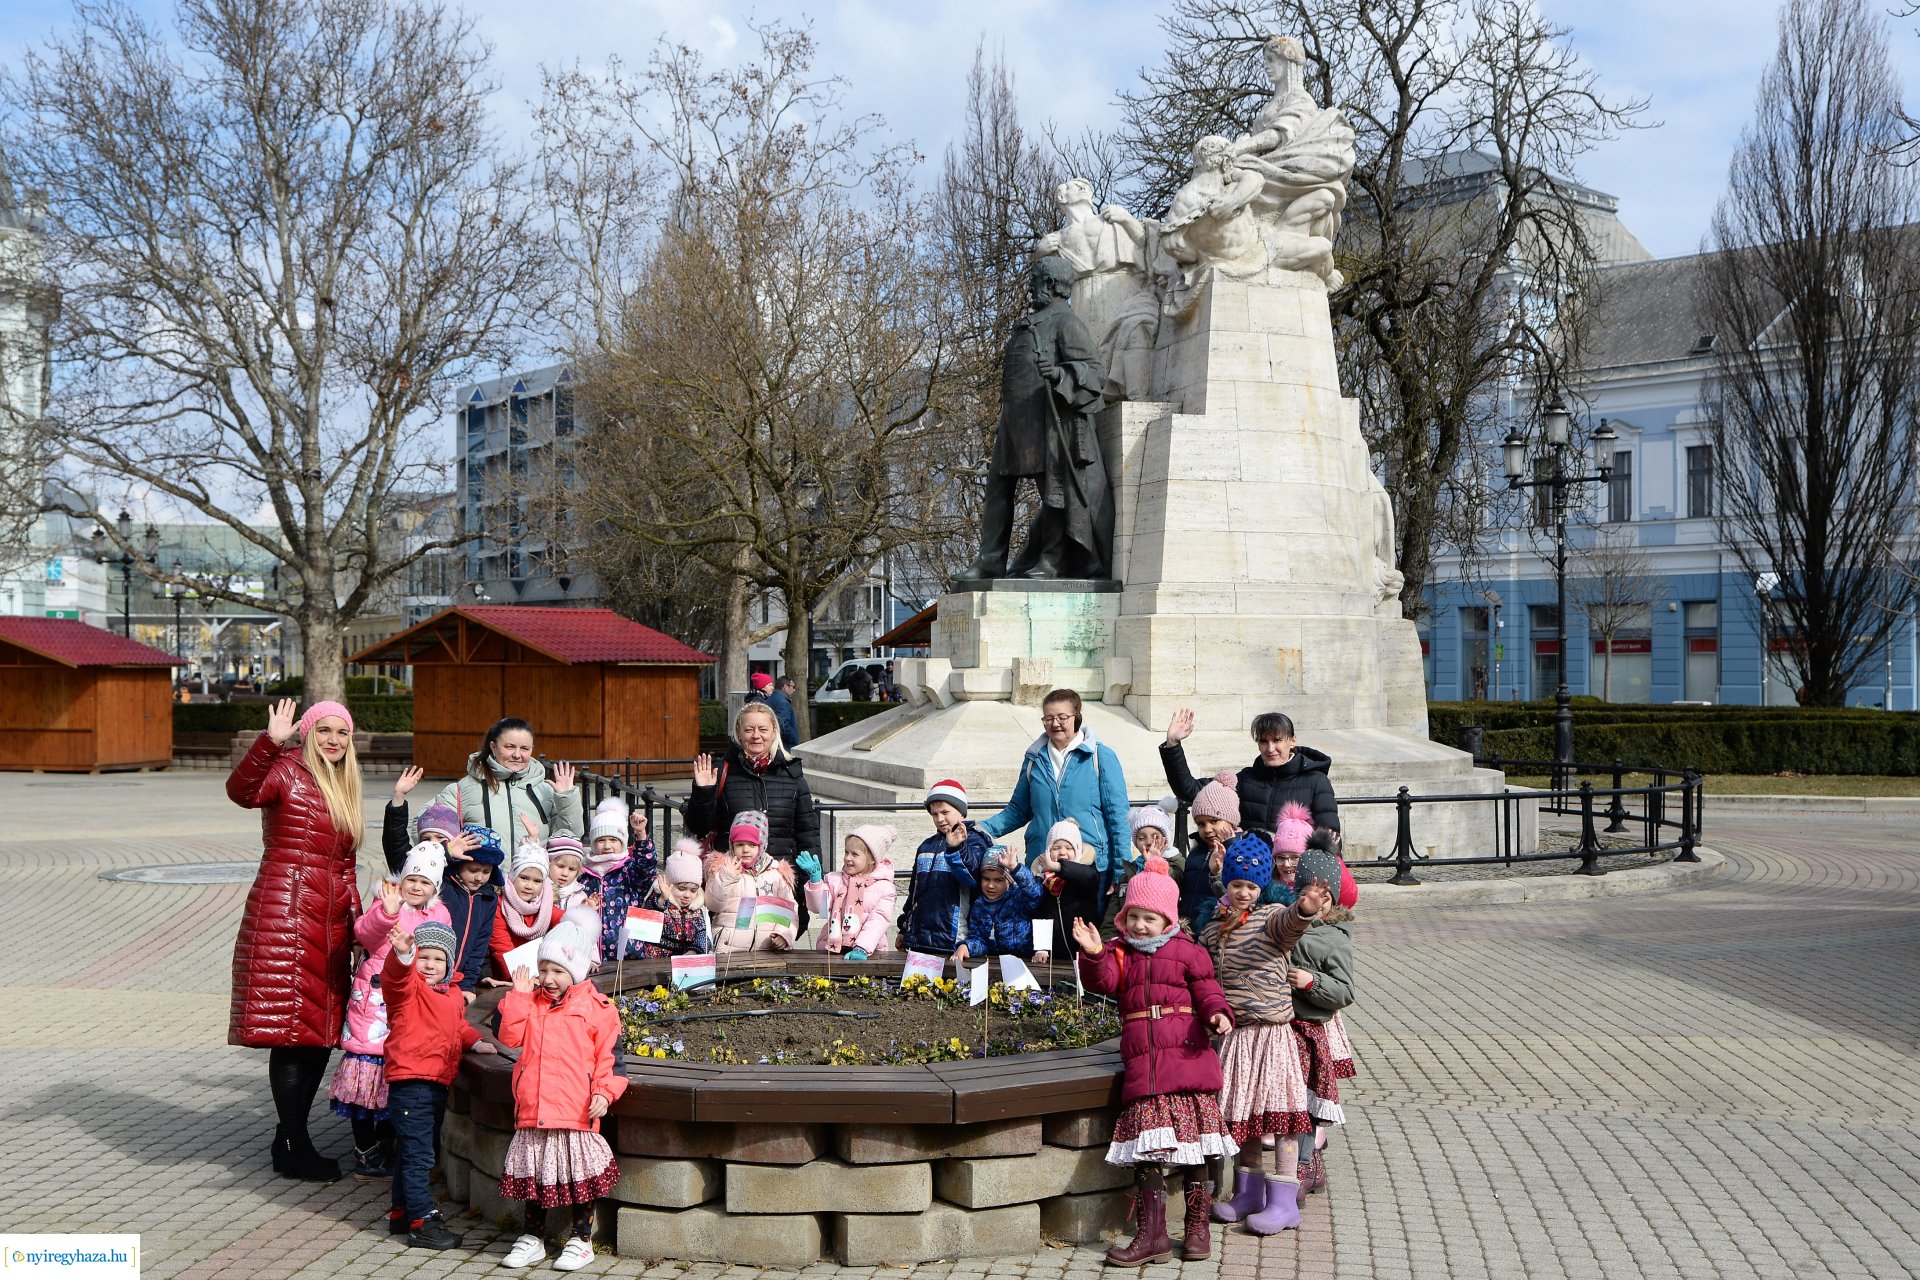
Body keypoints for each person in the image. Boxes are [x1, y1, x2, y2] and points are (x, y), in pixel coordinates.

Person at [228, 697, 366, 1183]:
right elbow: (241, 791)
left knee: (320, 1035)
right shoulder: (285, 770)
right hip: (285, 915)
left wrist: (358, 925)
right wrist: (271, 741)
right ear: (307, 733)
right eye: (324, 730)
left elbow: (346, 867)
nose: (333, 740)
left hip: (328, 921)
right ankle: (292, 1141)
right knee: (291, 1035)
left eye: (342, 733)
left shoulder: (344, 785)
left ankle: (291, 1138)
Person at [1074, 858, 1237, 1265]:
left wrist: (1219, 1014)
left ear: (1167, 919)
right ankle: (1153, 1237)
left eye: (1150, 918)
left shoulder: (1188, 951)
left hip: (1186, 1061)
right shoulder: (1119, 953)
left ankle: (1197, 1229)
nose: (1140, 926)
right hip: (1146, 1071)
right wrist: (1094, 953)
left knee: (1196, 1152)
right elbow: (1103, 982)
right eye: (1134, 917)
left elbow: (1208, 991)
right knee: (1148, 1153)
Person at [1201, 833, 1332, 1235]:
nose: (1243, 892)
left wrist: (1303, 910)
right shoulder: (1213, 929)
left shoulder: (1270, 917)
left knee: (1282, 1117)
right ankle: (1248, 1194)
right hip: (1236, 1037)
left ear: (1260, 888)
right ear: (1227, 882)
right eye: (1237, 884)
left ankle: (1283, 1201)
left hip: (1271, 1035)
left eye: (1251, 886)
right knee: (1246, 1118)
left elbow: (1288, 925)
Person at [496, 922, 625, 1272]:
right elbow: (509, 1038)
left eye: (557, 971)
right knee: (536, 1177)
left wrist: (604, 1091)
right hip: (535, 1109)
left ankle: (581, 1239)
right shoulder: (532, 1003)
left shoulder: (598, 1007)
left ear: (577, 971)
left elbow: (610, 1058)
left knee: (578, 1178)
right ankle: (531, 1238)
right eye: (543, 970)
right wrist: (519, 996)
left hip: (575, 1110)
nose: (548, 978)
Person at [329, 845, 453, 1179]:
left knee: (392, 1081)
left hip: (412, 1001)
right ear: (401, 880)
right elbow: (364, 935)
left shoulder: (439, 914)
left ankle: (387, 1143)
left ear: (434, 888)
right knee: (366, 1077)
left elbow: (444, 952)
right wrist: (386, 912)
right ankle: (365, 1149)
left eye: (425, 883)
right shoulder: (387, 902)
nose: (416, 887)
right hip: (375, 1001)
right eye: (411, 879)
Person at [379, 922, 495, 1249]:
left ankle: (402, 1212)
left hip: (435, 1085)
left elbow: (458, 1026)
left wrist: (475, 1042)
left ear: (449, 964)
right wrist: (402, 954)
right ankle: (423, 1221)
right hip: (411, 1082)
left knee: (413, 1151)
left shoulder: (452, 994)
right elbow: (395, 977)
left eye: (438, 959)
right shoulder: (409, 989)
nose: (430, 965)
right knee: (420, 1158)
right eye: (423, 957)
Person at [686, 702, 821, 932]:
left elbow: (807, 833)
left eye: (763, 729)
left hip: (778, 884)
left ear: (774, 732)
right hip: (733, 889)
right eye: (749, 730)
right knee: (734, 949)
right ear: (738, 733)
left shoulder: (792, 775)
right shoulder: (722, 772)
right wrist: (704, 792)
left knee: (775, 949)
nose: (756, 736)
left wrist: (807, 883)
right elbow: (699, 827)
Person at [980, 689, 1132, 890]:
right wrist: (980, 829)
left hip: (1089, 867)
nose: (1055, 723)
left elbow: (1117, 816)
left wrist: (1122, 870)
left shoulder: (1100, 756)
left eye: (1062, 717)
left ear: (1076, 718)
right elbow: (1018, 810)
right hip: (1042, 867)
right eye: (1048, 718)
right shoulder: (1034, 759)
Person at [1286, 836, 1357, 1199]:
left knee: (1308, 1102)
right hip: (1283, 1029)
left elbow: (1345, 991)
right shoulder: (1287, 924)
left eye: (1324, 897)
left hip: (1313, 1029)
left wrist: (1312, 982)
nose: (1316, 902)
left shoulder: (1334, 938)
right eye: (1308, 894)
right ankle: (1300, 1165)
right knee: (1289, 1100)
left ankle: (1305, 1164)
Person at [1161, 708, 1340, 836]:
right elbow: (1190, 790)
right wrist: (1172, 744)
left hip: (1291, 874)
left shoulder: (1316, 781)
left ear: (1292, 741)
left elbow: (1329, 838)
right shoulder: (1245, 779)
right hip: (1249, 877)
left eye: (1277, 740)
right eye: (1263, 741)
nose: (1270, 748)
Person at [430, 717, 583, 853]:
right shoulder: (459, 790)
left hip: (531, 883)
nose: (517, 754)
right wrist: (450, 853)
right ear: (493, 747)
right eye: (509, 747)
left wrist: (566, 799)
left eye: (524, 748)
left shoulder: (546, 791)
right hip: (481, 882)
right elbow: (426, 830)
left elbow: (570, 840)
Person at [898, 781, 990, 956]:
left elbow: (972, 877)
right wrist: (904, 928)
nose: (939, 819)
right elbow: (914, 891)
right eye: (934, 814)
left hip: (954, 941)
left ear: (961, 812)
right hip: (921, 940)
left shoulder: (976, 841)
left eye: (945, 812)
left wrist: (956, 848)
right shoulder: (926, 846)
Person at [798, 824, 898, 960]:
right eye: (846, 852)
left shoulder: (884, 888)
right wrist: (816, 882)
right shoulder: (835, 879)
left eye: (855, 854)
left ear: (872, 859)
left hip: (870, 952)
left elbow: (878, 921)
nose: (848, 858)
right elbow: (818, 908)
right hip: (833, 949)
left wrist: (862, 947)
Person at [704, 811, 798, 954]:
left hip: (766, 949)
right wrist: (727, 877)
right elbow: (713, 904)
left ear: (762, 846)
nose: (746, 850)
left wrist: (784, 934)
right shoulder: (722, 868)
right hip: (728, 949)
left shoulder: (776, 874)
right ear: (732, 844)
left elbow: (790, 911)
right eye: (740, 844)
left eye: (752, 845)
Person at [582, 797, 660, 965]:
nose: (607, 846)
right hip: (592, 955)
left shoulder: (628, 869)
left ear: (623, 842)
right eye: (601, 840)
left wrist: (641, 835)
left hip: (628, 953)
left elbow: (647, 867)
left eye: (613, 840)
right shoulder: (585, 875)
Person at [624, 840, 713, 960]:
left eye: (693, 890)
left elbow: (703, 934)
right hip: (655, 959)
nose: (687, 895)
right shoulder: (659, 900)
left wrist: (693, 951)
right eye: (681, 889)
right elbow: (645, 923)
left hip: (684, 960)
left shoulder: (697, 910)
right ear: (669, 885)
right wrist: (661, 900)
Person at [955, 846, 1044, 966]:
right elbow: (980, 939)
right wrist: (966, 946)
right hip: (995, 964)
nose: (991, 886)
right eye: (986, 879)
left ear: (1009, 880)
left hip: (1027, 962)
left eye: (998, 880)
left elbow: (1035, 892)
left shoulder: (1020, 898)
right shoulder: (979, 906)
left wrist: (1015, 868)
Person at [490, 839, 565, 980]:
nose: (529, 886)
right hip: (509, 977)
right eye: (524, 878)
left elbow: (564, 922)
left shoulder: (545, 903)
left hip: (539, 974)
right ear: (512, 877)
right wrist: (519, 977)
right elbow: (500, 946)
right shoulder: (500, 904)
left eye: (537, 881)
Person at [1034, 818, 1104, 944]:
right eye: (1056, 848)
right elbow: (1041, 914)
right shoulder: (1043, 878)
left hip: (1082, 948)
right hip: (1055, 951)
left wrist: (1058, 867)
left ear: (1077, 850)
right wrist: (1041, 947)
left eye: (1069, 848)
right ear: (1048, 851)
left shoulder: (1086, 871)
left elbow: (1090, 878)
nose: (1062, 852)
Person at [767, 675, 802, 747]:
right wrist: (793, 739)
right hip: (785, 745)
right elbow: (783, 725)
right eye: (793, 687)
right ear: (785, 687)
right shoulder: (782, 702)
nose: (794, 690)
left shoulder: (772, 698)